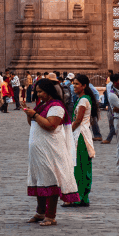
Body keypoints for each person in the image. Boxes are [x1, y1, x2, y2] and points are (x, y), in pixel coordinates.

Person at [23, 77, 78, 225]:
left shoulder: (56, 106)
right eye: (37, 91)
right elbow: (33, 123)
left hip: (51, 151)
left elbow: (50, 124)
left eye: (40, 91)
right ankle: (40, 212)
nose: (38, 94)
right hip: (39, 151)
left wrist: (33, 114)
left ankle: (50, 215)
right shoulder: (43, 105)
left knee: (51, 180)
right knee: (40, 180)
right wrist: (30, 114)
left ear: (48, 91)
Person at [68, 74, 96, 207]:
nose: (74, 86)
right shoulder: (84, 99)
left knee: (79, 167)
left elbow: (78, 120)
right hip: (83, 134)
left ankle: (78, 197)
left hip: (80, 135)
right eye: (73, 84)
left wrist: (67, 132)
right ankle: (83, 197)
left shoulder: (83, 100)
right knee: (83, 166)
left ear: (84, 86)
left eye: (77, 84)